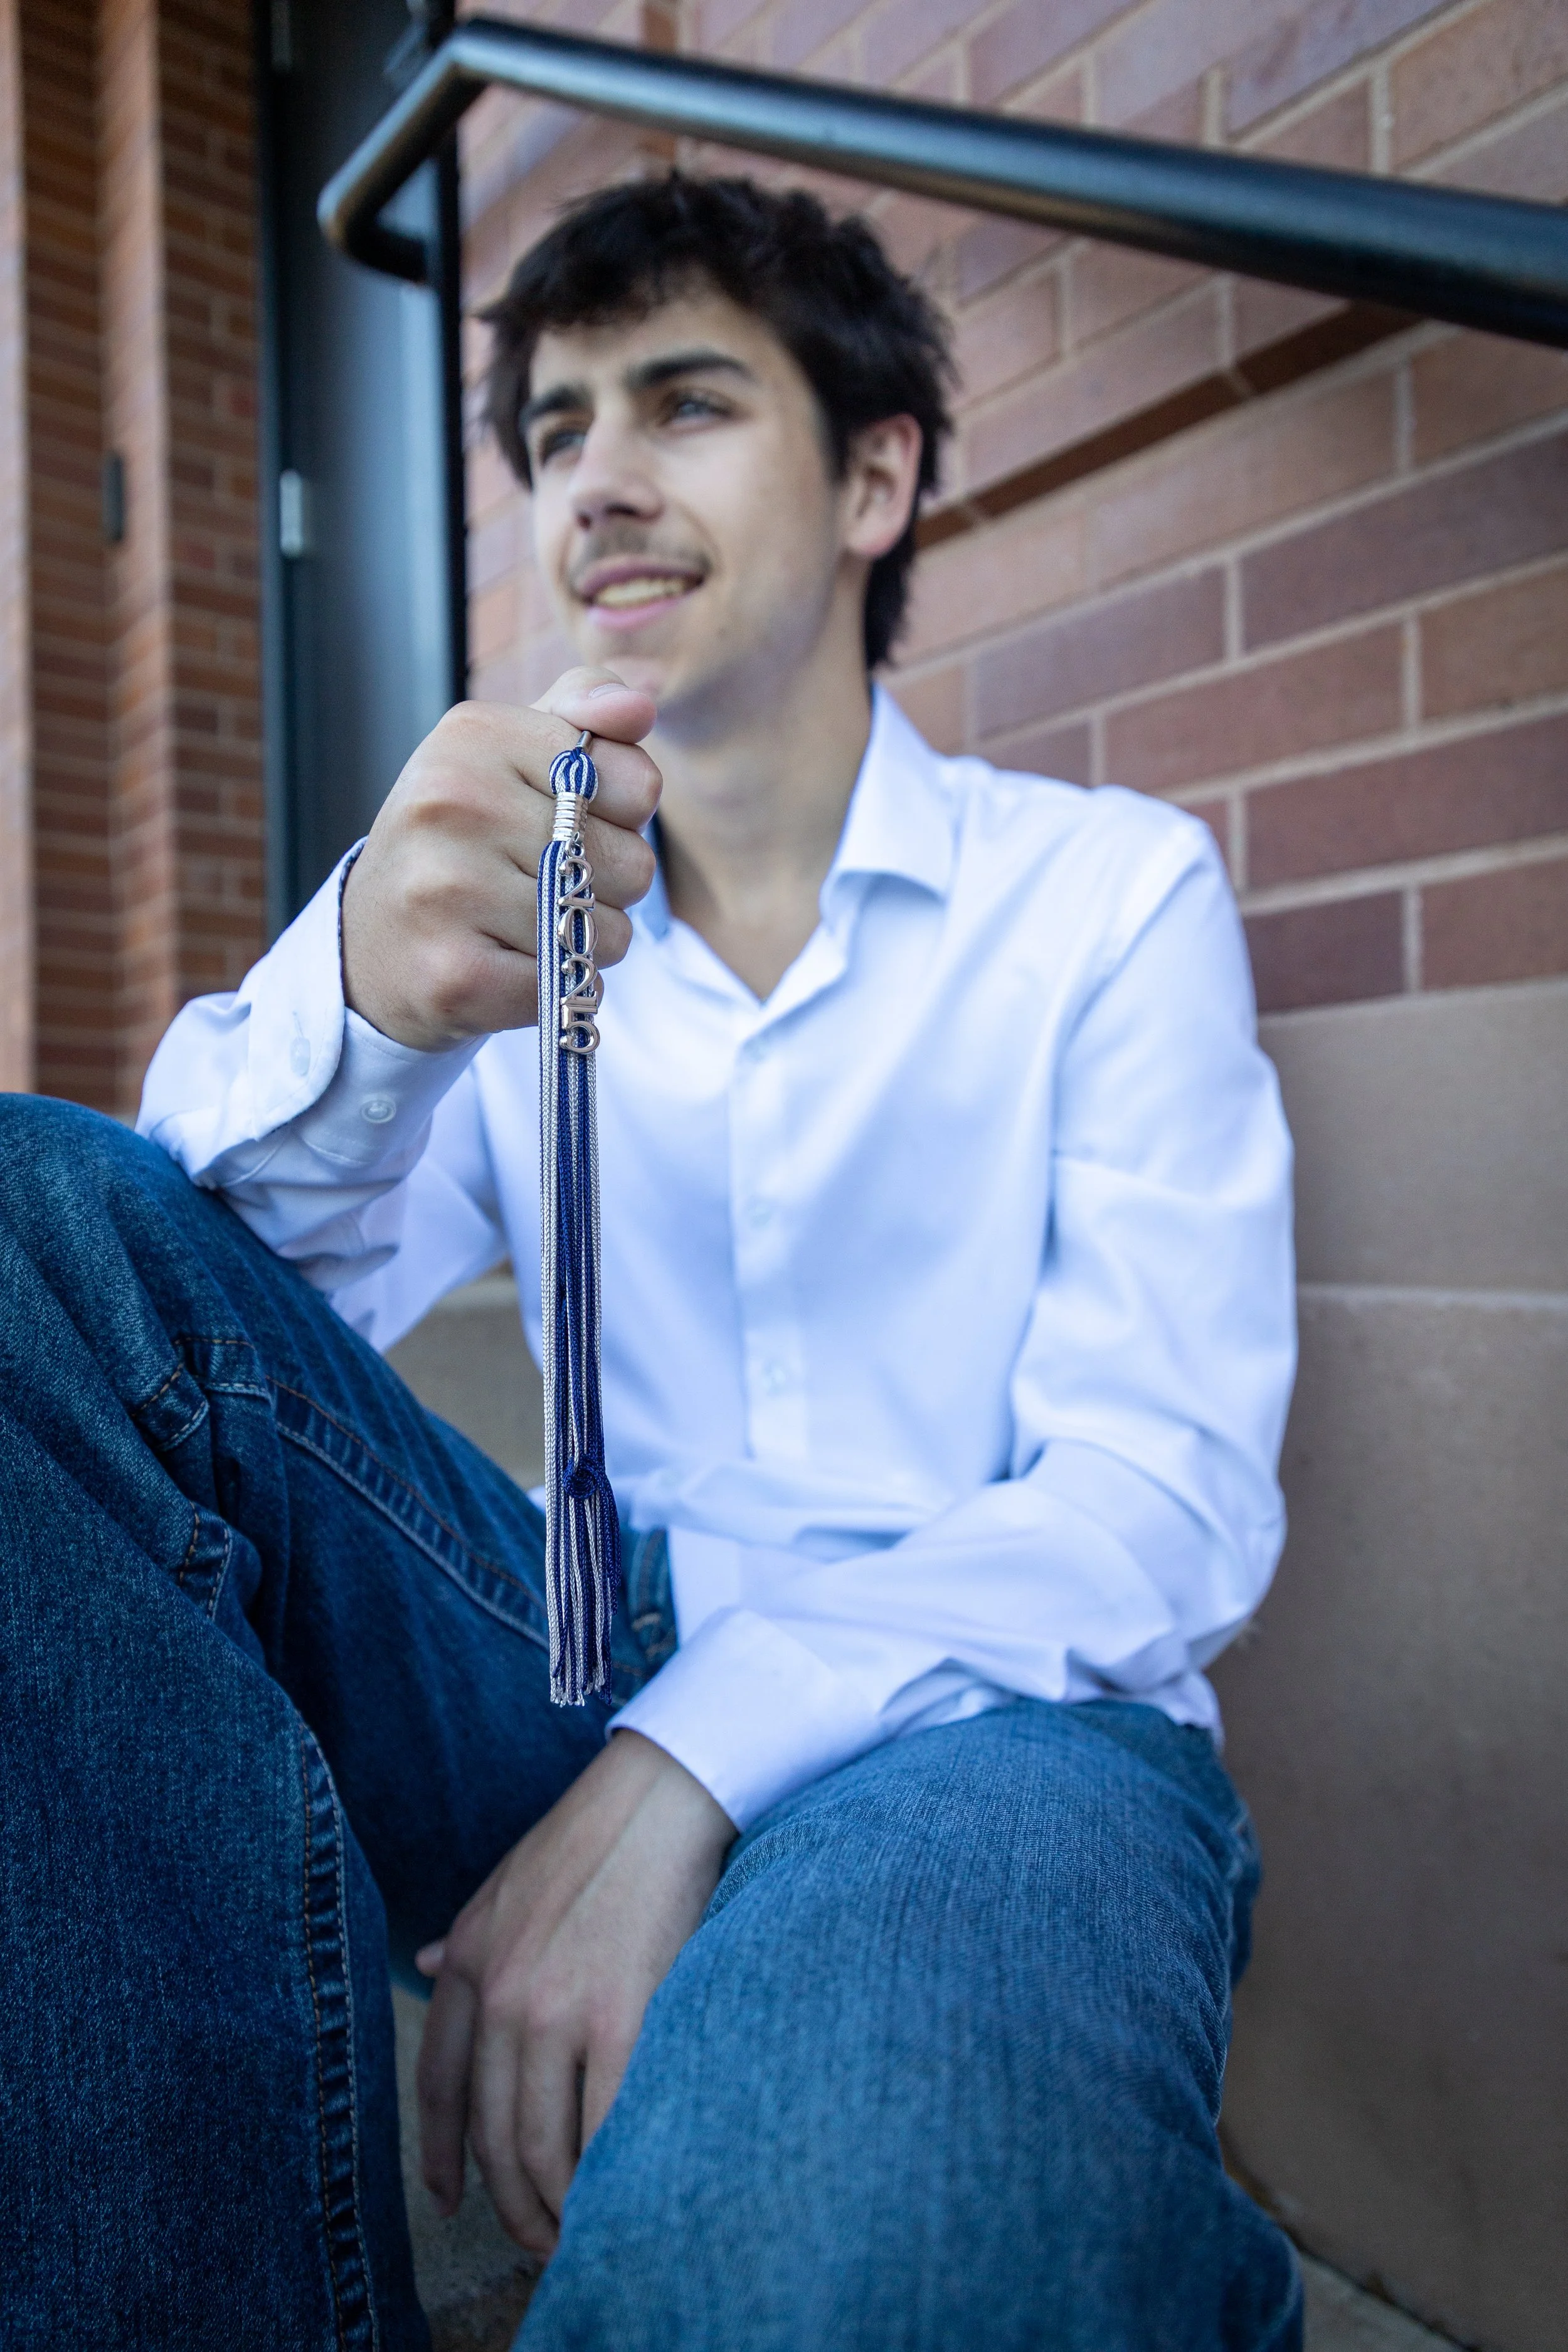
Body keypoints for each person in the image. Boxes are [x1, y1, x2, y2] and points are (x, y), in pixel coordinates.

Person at [0, 174, 1301, 2349]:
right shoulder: (529, 941)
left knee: (840, 2261)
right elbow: (173, 1345)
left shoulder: (1104, 895)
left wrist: (683, 1761)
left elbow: (1153, 1503)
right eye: (554, 431)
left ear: (875, 475)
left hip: (986, 1720)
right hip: (561, 1643)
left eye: (685, 404)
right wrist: (362, 1013)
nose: (595, 479)